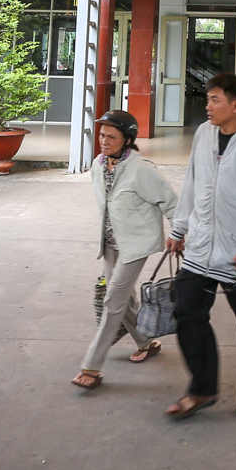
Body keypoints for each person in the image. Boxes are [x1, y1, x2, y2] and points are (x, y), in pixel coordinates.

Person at [165, 73, 236, 420]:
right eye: (208, 99)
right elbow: (192, 182)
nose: (208, 106)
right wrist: (180, 228)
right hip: (201, 246)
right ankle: (202, 388)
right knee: (186, 309)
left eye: (215, 100)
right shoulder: (204, 133)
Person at [72, 109, 177, 391]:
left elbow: (170, 202)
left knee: (113, 301)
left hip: (135, 245)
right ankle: (146, 342)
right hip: (110, 243)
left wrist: (178, 234)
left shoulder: (141, 169)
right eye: (102, 135)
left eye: (111, 137)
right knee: (123, 300)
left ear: (127, 140)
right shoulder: (99, 165)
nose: (103, 141)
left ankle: (91, 366)